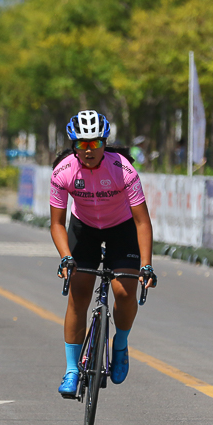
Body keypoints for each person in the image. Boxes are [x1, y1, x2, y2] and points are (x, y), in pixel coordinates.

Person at [49, 110, 157, 398]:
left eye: (95, 144)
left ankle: (120, 344)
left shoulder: (124, 170)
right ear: (73, 146)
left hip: (121, 229)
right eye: (82, 145)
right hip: (84, 229)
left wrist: (146, 265)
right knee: (79, 292)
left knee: (124, 292)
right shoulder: (63, 172)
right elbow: (57, 224)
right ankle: (72, 370)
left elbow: (142, 222)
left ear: (104, 143)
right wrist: (65, 256)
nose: (89, 151)